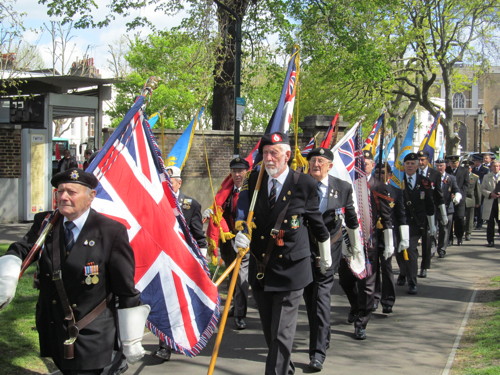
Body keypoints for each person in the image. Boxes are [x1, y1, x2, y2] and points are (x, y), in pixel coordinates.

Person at [0, 168, 149, 375]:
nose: (63, 197)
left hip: (92, 332)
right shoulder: (46, 223)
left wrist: (131, 339)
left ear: (91, 197)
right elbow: (23, 249)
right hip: (54, 327)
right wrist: (7, 273)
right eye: (60, 191)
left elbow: (124, 288)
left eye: (71, 192)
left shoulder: (109, 231)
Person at [234, 132, 330, 375]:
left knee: (280, 332)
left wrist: (326, 253)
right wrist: (240, 232)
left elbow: (316, 222)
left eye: (274, 153)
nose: (268, 158)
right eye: (265, 153)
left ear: (287, 155)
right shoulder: (254, 178)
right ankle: (285, 369)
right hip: (261, 268)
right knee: (270, 330)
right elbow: (245, 210)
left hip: (291, 269)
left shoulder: (304, 183)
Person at [303, 147, 359, 371]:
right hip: (304, 246)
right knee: (310, 296)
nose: (315, 164)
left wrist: (355, 247)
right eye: (312, 161)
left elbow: (351, 216)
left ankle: (317, 352)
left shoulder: (342, 187)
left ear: (330, 165)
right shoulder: (300, 185)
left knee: (321, 296)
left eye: (320, 161)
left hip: (331, 247)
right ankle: (322, 335)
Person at [337, 154, 394, 340]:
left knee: (367, 285)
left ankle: (362, 321)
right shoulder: (347, 183)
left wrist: (389, 241)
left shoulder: (379, 186)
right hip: (348, 241)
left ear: (372, 165)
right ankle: (355, 305)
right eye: (360, 163)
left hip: (369, 241)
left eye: (366, 164)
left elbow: (386, 216)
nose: (363, 167)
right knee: (345, 279)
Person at [154, 165, 207, 361]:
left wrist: (201, 259)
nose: (168, 185)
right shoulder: (157, 202)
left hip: (184, 261)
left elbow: (198, 235)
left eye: (171, 181)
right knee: (163, 303)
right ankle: (164, 345)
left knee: (182, 303)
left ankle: (184, 338)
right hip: (162, 260)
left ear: (179, 182)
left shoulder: (190, 204)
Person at [204, 157, 250, 330]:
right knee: (231, 277)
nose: (237, 174)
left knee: (241, 276)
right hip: (227, 238)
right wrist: (213, 213)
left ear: (247, 171)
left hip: (243, 239)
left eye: (240, 171)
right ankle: (234, 306)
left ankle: (240, 314)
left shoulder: (251, 191)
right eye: (234, 171)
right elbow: (219, 208)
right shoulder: (226, 190)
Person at [373, 163, 407, 314]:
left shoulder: (396, 192)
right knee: (372, 268)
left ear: (390, 175)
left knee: (386, 268)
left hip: (388, 234)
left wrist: (403, 237)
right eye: (378, 172)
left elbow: (400, 215)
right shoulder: (369, 189)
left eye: (383, 172)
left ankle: (387, 300)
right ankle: (373, 297)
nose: (381, 175)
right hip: (372, 234)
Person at [399, 153, 436, 293]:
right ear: (404, 165)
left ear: (417, 166)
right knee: (399, 252)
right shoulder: (397, 181)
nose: (410, 166)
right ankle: (403, 272)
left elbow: (429, 203)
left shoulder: (424, 181)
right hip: (400, 221)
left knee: (411, 250)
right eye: (407, 163)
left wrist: (432, 224)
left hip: (416, 222)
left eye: (412, 163)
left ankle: (412, 282)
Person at [417, 150, 447, 277]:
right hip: (414, 211)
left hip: (429, 212)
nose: (420, 162)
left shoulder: (434, 174)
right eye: (419, 159)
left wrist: (443, 213)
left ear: (428, 160)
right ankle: (406, 270)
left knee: (426, 240)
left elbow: (439, 194)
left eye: (423, 159)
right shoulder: (412, 172)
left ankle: (424, 266)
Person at [434, 159, 461, 258]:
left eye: (441, 166)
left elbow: (456, 189)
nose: (439, 168)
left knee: (445, 230)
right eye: (437, 166)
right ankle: (432, 248)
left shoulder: (451, 178)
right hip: (434, 208)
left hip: (447, 208)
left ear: (445, 166)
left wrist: (457, 197)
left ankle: (442, 249)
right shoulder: (430, 178)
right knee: (432, 229)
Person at [445, 155, 469, 246]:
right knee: (449, 219)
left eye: (455, 163)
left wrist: (458, 194)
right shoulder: (447, 170)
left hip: (460, 199)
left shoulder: (464, 171)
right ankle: (449, 238)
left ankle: (459, 237)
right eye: (451, 163)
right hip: (448, 198)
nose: (453, 164)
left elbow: (466, 185)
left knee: (459, 218)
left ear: (458, 162)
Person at [481, 160, 500, 247]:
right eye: (494, 166)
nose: (495, 168)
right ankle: (490, 241)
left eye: (497, 166)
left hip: (499, 202)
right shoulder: (486, 176)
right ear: (491, 167)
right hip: (490, 202)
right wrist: (490, 194)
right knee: (490, 223)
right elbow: (482, 189)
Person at [463, 160, 481, 241]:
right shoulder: (461, 176)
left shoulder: (475, 177)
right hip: (461, 199)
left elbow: (477, 191)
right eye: (466, 168)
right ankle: (460, 232)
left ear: (471, 168)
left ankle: (468, 233)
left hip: (471, 200)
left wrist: (478, 202)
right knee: (460, 218)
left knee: (470, 218)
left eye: (469, 168)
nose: (468, 169)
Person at [472, 153, 489, 229]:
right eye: (475, 161)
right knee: (473, 207)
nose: (476, 163)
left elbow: (485, 180)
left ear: (480, 162)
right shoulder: (472, 169)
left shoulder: (485, 169)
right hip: (473, 191)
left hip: (481, 190)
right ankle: (472, 222)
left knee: (480, 207)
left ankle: (480, 223)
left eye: (477, 161)